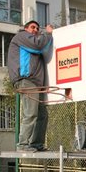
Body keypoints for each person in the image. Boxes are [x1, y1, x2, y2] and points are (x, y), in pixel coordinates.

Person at [7, 20, 54, 152]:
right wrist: (48, 34)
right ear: (25, 28)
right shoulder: (21, 37)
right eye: (32, 27)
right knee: (31, 113)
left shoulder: (32, 42)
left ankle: (36, 144)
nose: (35, 30)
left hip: (35, 83)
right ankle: (22, 144)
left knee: (42, 114)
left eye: (37, 28)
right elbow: (38, 45)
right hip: (26, 79)